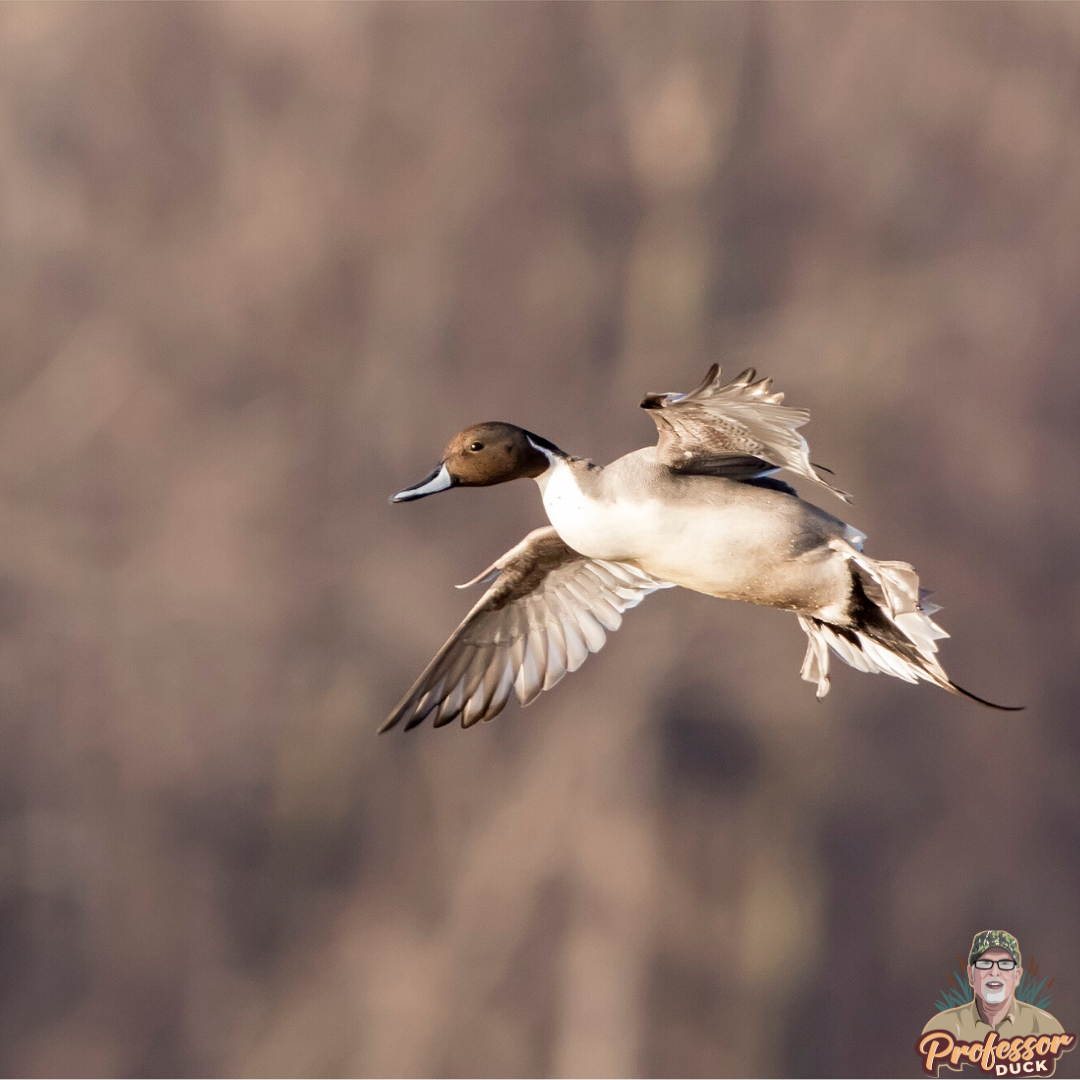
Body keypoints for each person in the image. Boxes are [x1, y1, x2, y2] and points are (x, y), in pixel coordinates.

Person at [923, 931, 1063, 1040]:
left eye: (1005, 964)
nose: (995, 972)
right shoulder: (941, 1030)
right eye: (985, 964)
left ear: (1017, 976)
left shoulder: (1046, 1030)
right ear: (971, 975)